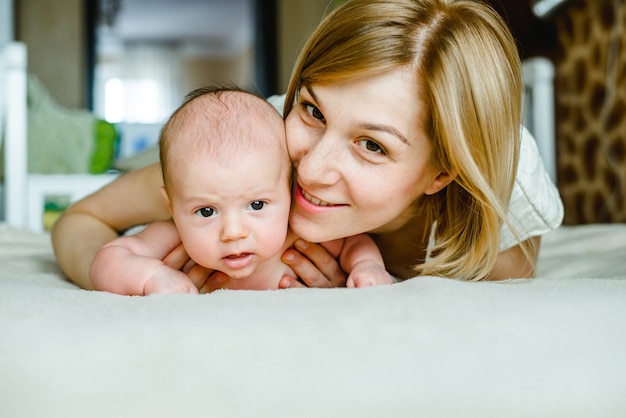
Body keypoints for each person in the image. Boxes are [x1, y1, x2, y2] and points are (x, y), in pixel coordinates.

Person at [52, 0, 563, 291]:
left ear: (441, 173)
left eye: (372, 146)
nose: (312, 169)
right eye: (314, 111)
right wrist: (139, 275)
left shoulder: (504, 198)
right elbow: (81, 220)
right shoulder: (255, 144)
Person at [89, 87, 393, 295]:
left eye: (257, 205)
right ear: (172, 207)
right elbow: (109, 258)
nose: (233, 232)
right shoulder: (175, 237)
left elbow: (355, 243)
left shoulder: (297, 233)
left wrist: (367, 266)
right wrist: (150, 278)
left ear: (289, 191)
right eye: (206, 211)